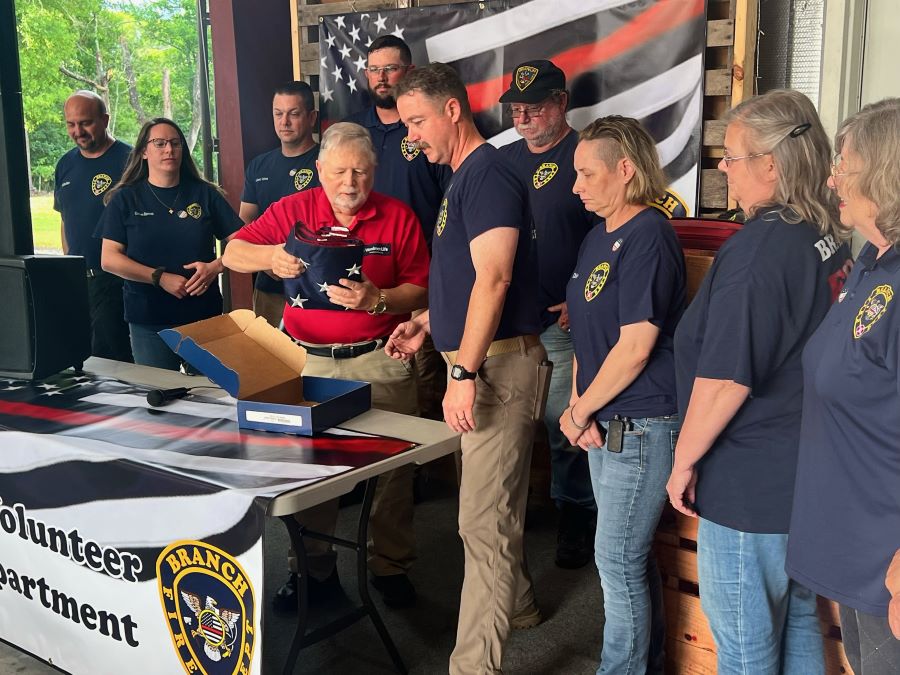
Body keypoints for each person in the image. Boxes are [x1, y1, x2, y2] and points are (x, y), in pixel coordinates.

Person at [666, 89, 850, 674]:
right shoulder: (821, 232)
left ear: (770, 165)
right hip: (805, 470)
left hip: (749, 481)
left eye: (733, 155)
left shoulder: (758, 252)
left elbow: (724, 382)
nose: (724, 166)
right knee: (796, 616)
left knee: (746, 652)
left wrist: (683, 460)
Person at [223, 122, 430, 610]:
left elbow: (422, 288)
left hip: (380, 357)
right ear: (319, 170)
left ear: (374, 171)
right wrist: (271, 256)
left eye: (360, 171)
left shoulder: (398, 217)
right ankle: (313, 570)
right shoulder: (294, 209)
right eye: (338, 171)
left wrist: (379, 299)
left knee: (395, 469)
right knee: (311, 472)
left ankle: (389, 565)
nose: (350, 182)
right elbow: (232, 251)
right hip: (307, 362)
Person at [387, 62, 546, 674]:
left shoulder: (487, 176)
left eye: (418, 121)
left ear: (453, 110)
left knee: (482, 523)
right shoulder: (463, 178)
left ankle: (473, 668)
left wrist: (462, 373)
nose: (412, 136)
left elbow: (496, 278)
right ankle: (523, 604)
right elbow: (465, 276)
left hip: (496, 372)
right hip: (480, 365)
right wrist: (429, 323)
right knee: (491, 511)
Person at [559, 116, 685, 674]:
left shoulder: (649, 236)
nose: (577, 186)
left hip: (640, 425)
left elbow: (636, 346)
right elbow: (586, 333)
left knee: (617, 560)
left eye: (587, 173)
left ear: (625, 170)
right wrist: (576, 404)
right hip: (601, 421)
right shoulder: (597, 236)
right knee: (624, 562)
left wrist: (584, 408)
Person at [786, 98, 900, 674]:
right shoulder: (871, 262)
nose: (832, 178)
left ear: (884, 173)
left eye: (845, 165)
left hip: (888, 557)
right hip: (856, 546)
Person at [498, 59, 597, 569]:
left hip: (562, 321)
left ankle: (575, 515)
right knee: (511, 425)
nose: (524, 116)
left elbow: (609, 237)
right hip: (512, 318)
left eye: (534, 107)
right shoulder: (503, 161)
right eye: (516, 108)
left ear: (561, 103)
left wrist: (583, 300)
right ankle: (521, 512)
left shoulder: (588, 155)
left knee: (566, 425)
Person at [345, 35, 452, 423]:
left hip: (417, 279)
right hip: (362, 280)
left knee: (421, 379)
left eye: (390, 68)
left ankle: (420, 475)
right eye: (374, 69)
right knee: (371, 384)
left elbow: (449, 207)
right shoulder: (354, 131)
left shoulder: (429, 134)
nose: (381, 77)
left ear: (408, 72)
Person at [98, 118, 242, 370]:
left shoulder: (205, 194)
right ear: (143, 151)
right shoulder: (125, 199)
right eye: (160, 143)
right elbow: (109, 258)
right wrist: (159, 278)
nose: (169, 150)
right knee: (161, 397)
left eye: (175, 143)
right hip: (149, 320)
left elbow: (242, 243)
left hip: (203, 317)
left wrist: (215, 267)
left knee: (211, 397)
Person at [54, 90, 133, 362]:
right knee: (82, 359)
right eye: (71, 124)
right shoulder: (65, 164)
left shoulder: (131, 161)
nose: (78, 131)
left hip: (117, 282)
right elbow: (66, 220)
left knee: (115, 362)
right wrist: (70, 263)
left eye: (85, 122)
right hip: (79, 281)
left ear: (105, 119)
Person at [240, 81, 320, 327]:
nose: (284, 122)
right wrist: (265, 261)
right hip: (269, 286)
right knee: (270, 360)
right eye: (278, 114)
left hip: (316, 285)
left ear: (311, 117)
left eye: (294, 114)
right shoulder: (259, 166)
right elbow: (244, 224)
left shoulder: (328, 162)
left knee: (314, 361)